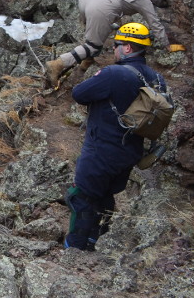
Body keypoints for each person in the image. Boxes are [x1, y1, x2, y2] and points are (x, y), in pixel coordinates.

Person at [64, 22, 167, 250]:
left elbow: (79, 94)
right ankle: (95, 241)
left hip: (101, 151)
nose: (114, 50)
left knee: (80, 197)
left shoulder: (114, 73)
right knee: (104, 197)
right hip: (130, 153)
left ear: (128, 48)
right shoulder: (157, 79)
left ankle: (75, 249)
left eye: (116, 45)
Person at [45, 0, 172, 85]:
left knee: (93, 34)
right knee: (93, 45)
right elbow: (155, 23)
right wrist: (166, 44)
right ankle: (58, 64)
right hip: (101, 5)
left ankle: (87, 62)